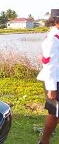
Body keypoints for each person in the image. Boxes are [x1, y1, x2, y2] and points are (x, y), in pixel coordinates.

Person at [37, 9, 59, 144]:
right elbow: (49, 64)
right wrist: (51, 88)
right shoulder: (53, 38)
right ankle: (44, 141)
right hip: (54, 81)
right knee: (54, 113)